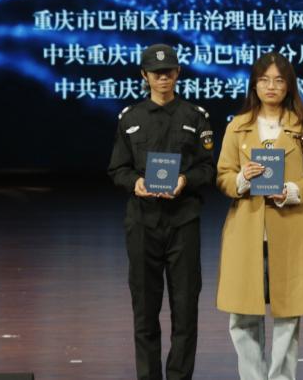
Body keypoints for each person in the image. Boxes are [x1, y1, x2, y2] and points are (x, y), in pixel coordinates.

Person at [216, 52, 303, 380]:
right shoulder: (238, 126)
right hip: (246, 231)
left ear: (288, 85)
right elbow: (223, 175)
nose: (271, 86)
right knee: (242, 314)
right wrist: (242, 179)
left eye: (279, 80)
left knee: (288, 315)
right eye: (264, 80)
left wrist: (293, 190)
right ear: (254, 85)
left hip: (292, 228)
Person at [108, 44, 215, 380]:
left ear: (178, 73)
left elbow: (208, 168)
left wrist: (185, 179)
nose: (163, 77)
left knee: (185, 308)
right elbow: (117, 169)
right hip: (143, 221)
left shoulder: (195, 117)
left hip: (183, 221)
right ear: (144, 75)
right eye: (156, 73)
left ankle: (180, 376)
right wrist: (136, 183)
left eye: (168, 71)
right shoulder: (130, 118)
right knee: (145, 308)